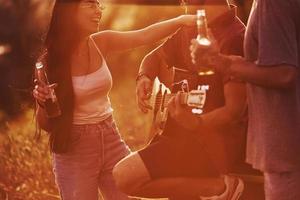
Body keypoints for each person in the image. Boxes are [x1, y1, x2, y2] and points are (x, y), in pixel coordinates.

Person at [32, 0, 196, 199]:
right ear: (70, 11)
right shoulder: (48, 63)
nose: (98, 11)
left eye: (98, 5)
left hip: (110, 138)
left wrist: (181, 20)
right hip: (74, 151)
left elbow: (144, 35)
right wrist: (42, 102)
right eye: (90, 5)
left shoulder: (102, 42)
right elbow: (47, 125)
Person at [112, 0, 250, 199]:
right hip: (181, 136)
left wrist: (195, 123)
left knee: (124, 176)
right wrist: (144, 76)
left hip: (211, 145)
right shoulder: (191, 28)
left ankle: (220, 189)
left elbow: (234, 110)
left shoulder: (235, 37)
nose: (181, 1)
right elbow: (156, 57)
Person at [190, 0, 300, 199]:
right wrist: (222, 60)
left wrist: (223, 63)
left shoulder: (272, 4)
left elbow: (285, 73)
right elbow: (265, 64)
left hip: (287, 148)